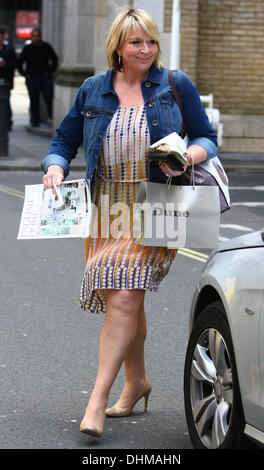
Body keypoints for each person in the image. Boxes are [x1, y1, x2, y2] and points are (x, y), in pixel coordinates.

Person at [41, 8, 217, 439]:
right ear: (118, 46)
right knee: (126, 295)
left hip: (157, 201)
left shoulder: (174, 85)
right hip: (106, 208)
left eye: (151, 41)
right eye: (137, 42)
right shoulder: (93, 90)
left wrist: (186, 157)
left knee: (122, 293)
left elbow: (205, 137)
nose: (146, 49)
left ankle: (96, 399)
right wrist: (55, 167)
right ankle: (137, 381)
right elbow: (64, 140)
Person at [18, 28, 58, 127]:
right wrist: (24, 73)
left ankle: (50, 116)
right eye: (34, 36)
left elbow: (54, 59)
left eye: (37, 36)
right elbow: (20, 62)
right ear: (31, 37)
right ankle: (35, 121)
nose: (36, 38)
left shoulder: (46, 47)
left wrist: (50, 72)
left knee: (48, 96)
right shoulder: (27, 48)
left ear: (40, 36)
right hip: (32, 78)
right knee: (33, 100)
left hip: (45, 77)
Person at [0, 27, 17, 131]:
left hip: (5, 80)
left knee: (5, 102)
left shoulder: (9, 49)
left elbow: (15, 63)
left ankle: (8, 122)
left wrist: (5, 64)